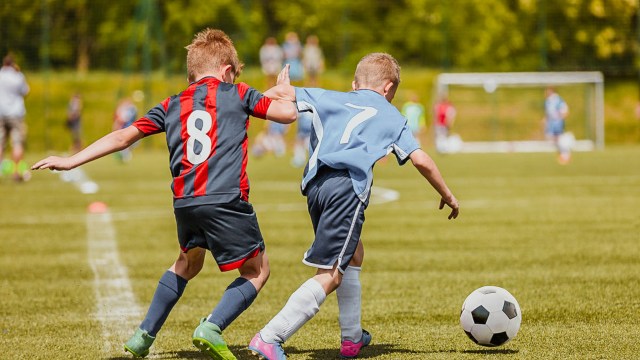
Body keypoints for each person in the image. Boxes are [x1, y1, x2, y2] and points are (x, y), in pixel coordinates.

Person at [31, 28, 297, 360]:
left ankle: (144, 335)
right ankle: (212, 326)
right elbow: (287, 115)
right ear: (228, 71)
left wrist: (71, 160)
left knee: (188, 262)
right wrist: (287, 92)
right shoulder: (239, 92)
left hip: (186, 202)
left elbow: (122, 138)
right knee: (258, 270)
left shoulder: (171, 104)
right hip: (226, 198)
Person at [247, 54, 459, 360]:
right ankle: (270, 336)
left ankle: (352, 338)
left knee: (354, 253)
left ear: (354, 84)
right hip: (346, 189)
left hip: (315, 187)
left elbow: (279, 95)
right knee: (331, 273)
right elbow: (421, 159)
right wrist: (448, 194)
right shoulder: (392, 116)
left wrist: (281, 87)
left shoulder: (329, 96)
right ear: (388, 88)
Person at [0, 54, 30, 181]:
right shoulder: (18, 76)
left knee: (0, 143)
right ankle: (16, 172)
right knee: (17, 143)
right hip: (16, 113)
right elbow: (26, 92)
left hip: (0, 112)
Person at [543, 87, 572, 164]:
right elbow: (547, 113)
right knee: (552, 138)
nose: (546, 93)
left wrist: (560, 118)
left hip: (557, 123)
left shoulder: (558, 100)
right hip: (551, 123)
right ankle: (562, 153)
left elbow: (565, 111)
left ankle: (565, 154)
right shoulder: (547, 101)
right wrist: (545, 121)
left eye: (547, 91)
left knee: (559, 138)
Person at [112, 97, 138, 162]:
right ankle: (124, 155)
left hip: (128, 127)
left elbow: (124, 119)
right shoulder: (124, 109)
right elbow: (120, 119)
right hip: (125, 128)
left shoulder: (132, 109)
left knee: (131, 143)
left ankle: (125, 154)